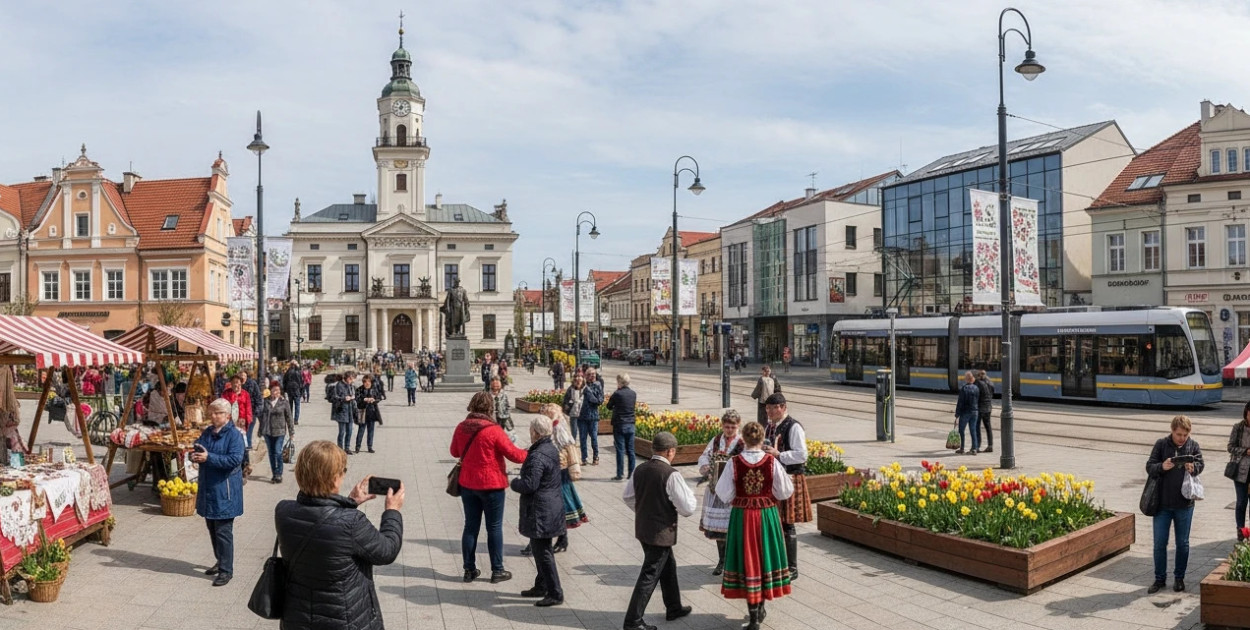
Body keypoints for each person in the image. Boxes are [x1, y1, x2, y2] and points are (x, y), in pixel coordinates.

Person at [274, 440, 404, 629]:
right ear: (334, 478)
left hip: (298, 617)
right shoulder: (351, 522)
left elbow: (322, 521)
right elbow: (387, 551)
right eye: (342, 471)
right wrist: (392, 511)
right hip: (344, 618)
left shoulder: (284, 511)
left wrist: (350, 502)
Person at [716, 421, 794, 629]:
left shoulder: (734, 462)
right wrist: (768, 495)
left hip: (742, 516)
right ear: (762, 439)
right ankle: (759, 610)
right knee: (763, 559)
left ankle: (753, 616)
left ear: (744, 439)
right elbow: (785, 491)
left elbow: (723, 493)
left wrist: (739, 496)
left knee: (747, 560)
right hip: (766, 515)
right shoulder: (771, 462)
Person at [450, 391, 528, 585]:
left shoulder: (461, 427)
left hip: (468, 484)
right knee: (494, 528)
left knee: (470, 526)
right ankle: (497, 570)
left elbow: (454, 451)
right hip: (492, 486)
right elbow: (514, 455)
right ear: (489, 408)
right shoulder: (493, 430)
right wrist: (531, 452)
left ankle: (469, 569)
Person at [622, 432, 696, 630]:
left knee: (668, 566)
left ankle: (674, 607)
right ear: (671, 451)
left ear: (654, 449)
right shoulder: (670, 474)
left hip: (644, 528)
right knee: (650, 574)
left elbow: (628, 496)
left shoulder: (640, 469)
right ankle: (633, 621)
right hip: (661, 532)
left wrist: (644, 510)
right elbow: (687, 508)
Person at [511, 415, 566, 607]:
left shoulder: (537, 455)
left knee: (542, 552)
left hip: (541, 509)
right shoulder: (550, 448)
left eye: (531, 429)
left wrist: (514, 482)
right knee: (541, 549)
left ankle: (555, 592)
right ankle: (541, 586)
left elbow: (530, 484)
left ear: (535, 432)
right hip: (551, 506)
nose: (529, 432)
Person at [1146, 415, 1204, 593]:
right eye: (1179, 434)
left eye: (1185, 435)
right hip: (1162, 505)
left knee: (1183, 543)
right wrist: (1162, 467)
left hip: (1184, 505)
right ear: (1172, 431)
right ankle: (1159, 579)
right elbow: (1149, 466)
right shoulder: (1161, 444)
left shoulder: (1192, 445)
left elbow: (1201, 464)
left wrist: (1194, 467)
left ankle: (1179, 579)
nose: (1182, 438)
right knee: (1159, 543)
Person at [191, 398, 246, 587]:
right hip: (209, 489)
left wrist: (209, 457)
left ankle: (226, 570)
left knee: (223, 531)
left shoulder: (234, 435)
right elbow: (199, 446)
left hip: (225, 490)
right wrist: (195, 453)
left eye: (217, 413)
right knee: (212, 529)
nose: (213, 416)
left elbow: (235, 459)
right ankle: (220, 560)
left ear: (227, 416)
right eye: (212, 412)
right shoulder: (207, 432)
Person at [762, 393, 809, 581]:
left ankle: (792, 567)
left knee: (788, 523)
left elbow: (802, 455)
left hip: (790, 477)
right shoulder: (770, 426)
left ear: (783, 407)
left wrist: (778, 454)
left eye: (774, 408)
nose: (770, 412)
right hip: (775, 478)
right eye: (768, 408)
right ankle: (778, 563)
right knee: (776, 521)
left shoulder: (794, 426)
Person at [698, 410, 744, 576]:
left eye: (733, 427)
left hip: (734, 491)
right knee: (719, 529)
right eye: (727, 427)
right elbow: (704, 456)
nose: (729, 430)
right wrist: (705, 466)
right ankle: (722, 561)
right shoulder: (717, 440)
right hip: (716, 489)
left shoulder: (742, 442)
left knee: (734, 528)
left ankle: (734, 562)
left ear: (738, 426)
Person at [259, 380, 294, 483]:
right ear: (270, 391)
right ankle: (274, 473)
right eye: (274, 390)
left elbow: (289, 417)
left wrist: (292, 432)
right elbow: (261, 415)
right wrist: (261, 429)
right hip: (268, 431)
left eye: (278, 390)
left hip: (280, 431)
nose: (277, 392)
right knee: (271, 453)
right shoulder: (265, 401)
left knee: (278, 452)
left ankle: (279, 473)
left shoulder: (284, 402)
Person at [608, 372, 638, 481]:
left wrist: (617, 391)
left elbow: (609, 406)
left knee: (620, 450)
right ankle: (631, 473)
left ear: (619, 382)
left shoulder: (617, 394)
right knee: (631, 450)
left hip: (619, 424)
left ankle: (620, 474)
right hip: (630, 424)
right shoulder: (633, 393)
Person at [578, 368, 604, 468]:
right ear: (586, 376)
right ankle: (584, 458)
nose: (592, 376)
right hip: (582, 416)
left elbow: (600, 400)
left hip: (593, 416)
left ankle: (596, 456)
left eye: (594, 374)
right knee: (582, 438)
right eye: (590, 374)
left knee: (594, 438)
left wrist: (590, 394)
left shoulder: (598, 385)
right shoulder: (581, 385)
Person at [1231, 403, 1250, 540]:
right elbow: (1230, 447)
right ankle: (1240, 530)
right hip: (1240, 471)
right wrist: (1245, 451)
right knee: (1241, 501)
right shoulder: (1238, 427)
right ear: (1246, 414)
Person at [354, 374, 385, 454]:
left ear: (371, 382)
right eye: (365, 382)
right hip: (362, 411)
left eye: (368, 382)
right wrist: (364, 399)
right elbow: (357, 398)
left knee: (371, 430)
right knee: (361, 430)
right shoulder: (359, 389)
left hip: (372, 411)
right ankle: (357, 447)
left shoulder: (374, 389)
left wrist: (374, 400)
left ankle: (370, 447)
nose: (367, 383)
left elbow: (379, 397)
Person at [954, 371, 981, 455]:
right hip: (975, 411)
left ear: (966, 379)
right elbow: (978, 400)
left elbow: (960, 402)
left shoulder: (964, 388)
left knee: (961, 430)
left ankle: (962, 448)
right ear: (972, 379)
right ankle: (974, 449)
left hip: (966, 412)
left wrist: (957, 415)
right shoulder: (976, 388)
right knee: (973, 430)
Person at [221, 375, 252, 445]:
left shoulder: (245, 394)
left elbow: (248, 408)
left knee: (242, 441)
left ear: (241, 383)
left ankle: (244, 454)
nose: (235, 384)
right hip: (229, 421)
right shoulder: (226, 393)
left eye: (237, 382)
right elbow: (222, 406)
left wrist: (248, 421)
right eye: (233, 382)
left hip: (241, 421)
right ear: (231, 384)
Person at [331, 372, 357, 453]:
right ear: (347, 378)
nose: (352, 380)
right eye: (351, 379)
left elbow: (355, 394)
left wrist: (353, 397)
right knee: (342, 432)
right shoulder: (339, 385)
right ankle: (340, 448)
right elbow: (334, 397)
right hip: (341, 411)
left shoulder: (351, 385)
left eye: (352, 379)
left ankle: (347, 448)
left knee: (349, 431)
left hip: (350, 411)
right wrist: (344, 398)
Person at [562, 373, 585, 447]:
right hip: (573, 412)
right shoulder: (570, 389)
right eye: (576, 379)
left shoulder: (585, 389)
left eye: (580, 378)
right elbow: (566, 400)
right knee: (574, 430)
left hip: (583, 412)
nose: (578, 381)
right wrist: (567, 406)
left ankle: (582, 443)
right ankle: (573, 443)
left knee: (583, 429)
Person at [975, 369, 994, 453]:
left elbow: (976, 395)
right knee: (988, 427)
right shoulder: (990, 383)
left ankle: (977, 446)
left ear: (979, 375)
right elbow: (992, 394)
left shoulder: (978, 383)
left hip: (980, 408)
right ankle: (990, 445)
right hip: (988, 407)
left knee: (977, 427)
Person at [283, 361, 303, 426]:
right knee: (297, 406)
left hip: (289, 390)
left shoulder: (287, 372)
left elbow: (284, 381)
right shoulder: (298, 372)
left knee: (290, 405)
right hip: (296, 390)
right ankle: (296, 420)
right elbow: (301, 382)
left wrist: (285, 390)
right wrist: (301, 391)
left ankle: (290, 419)